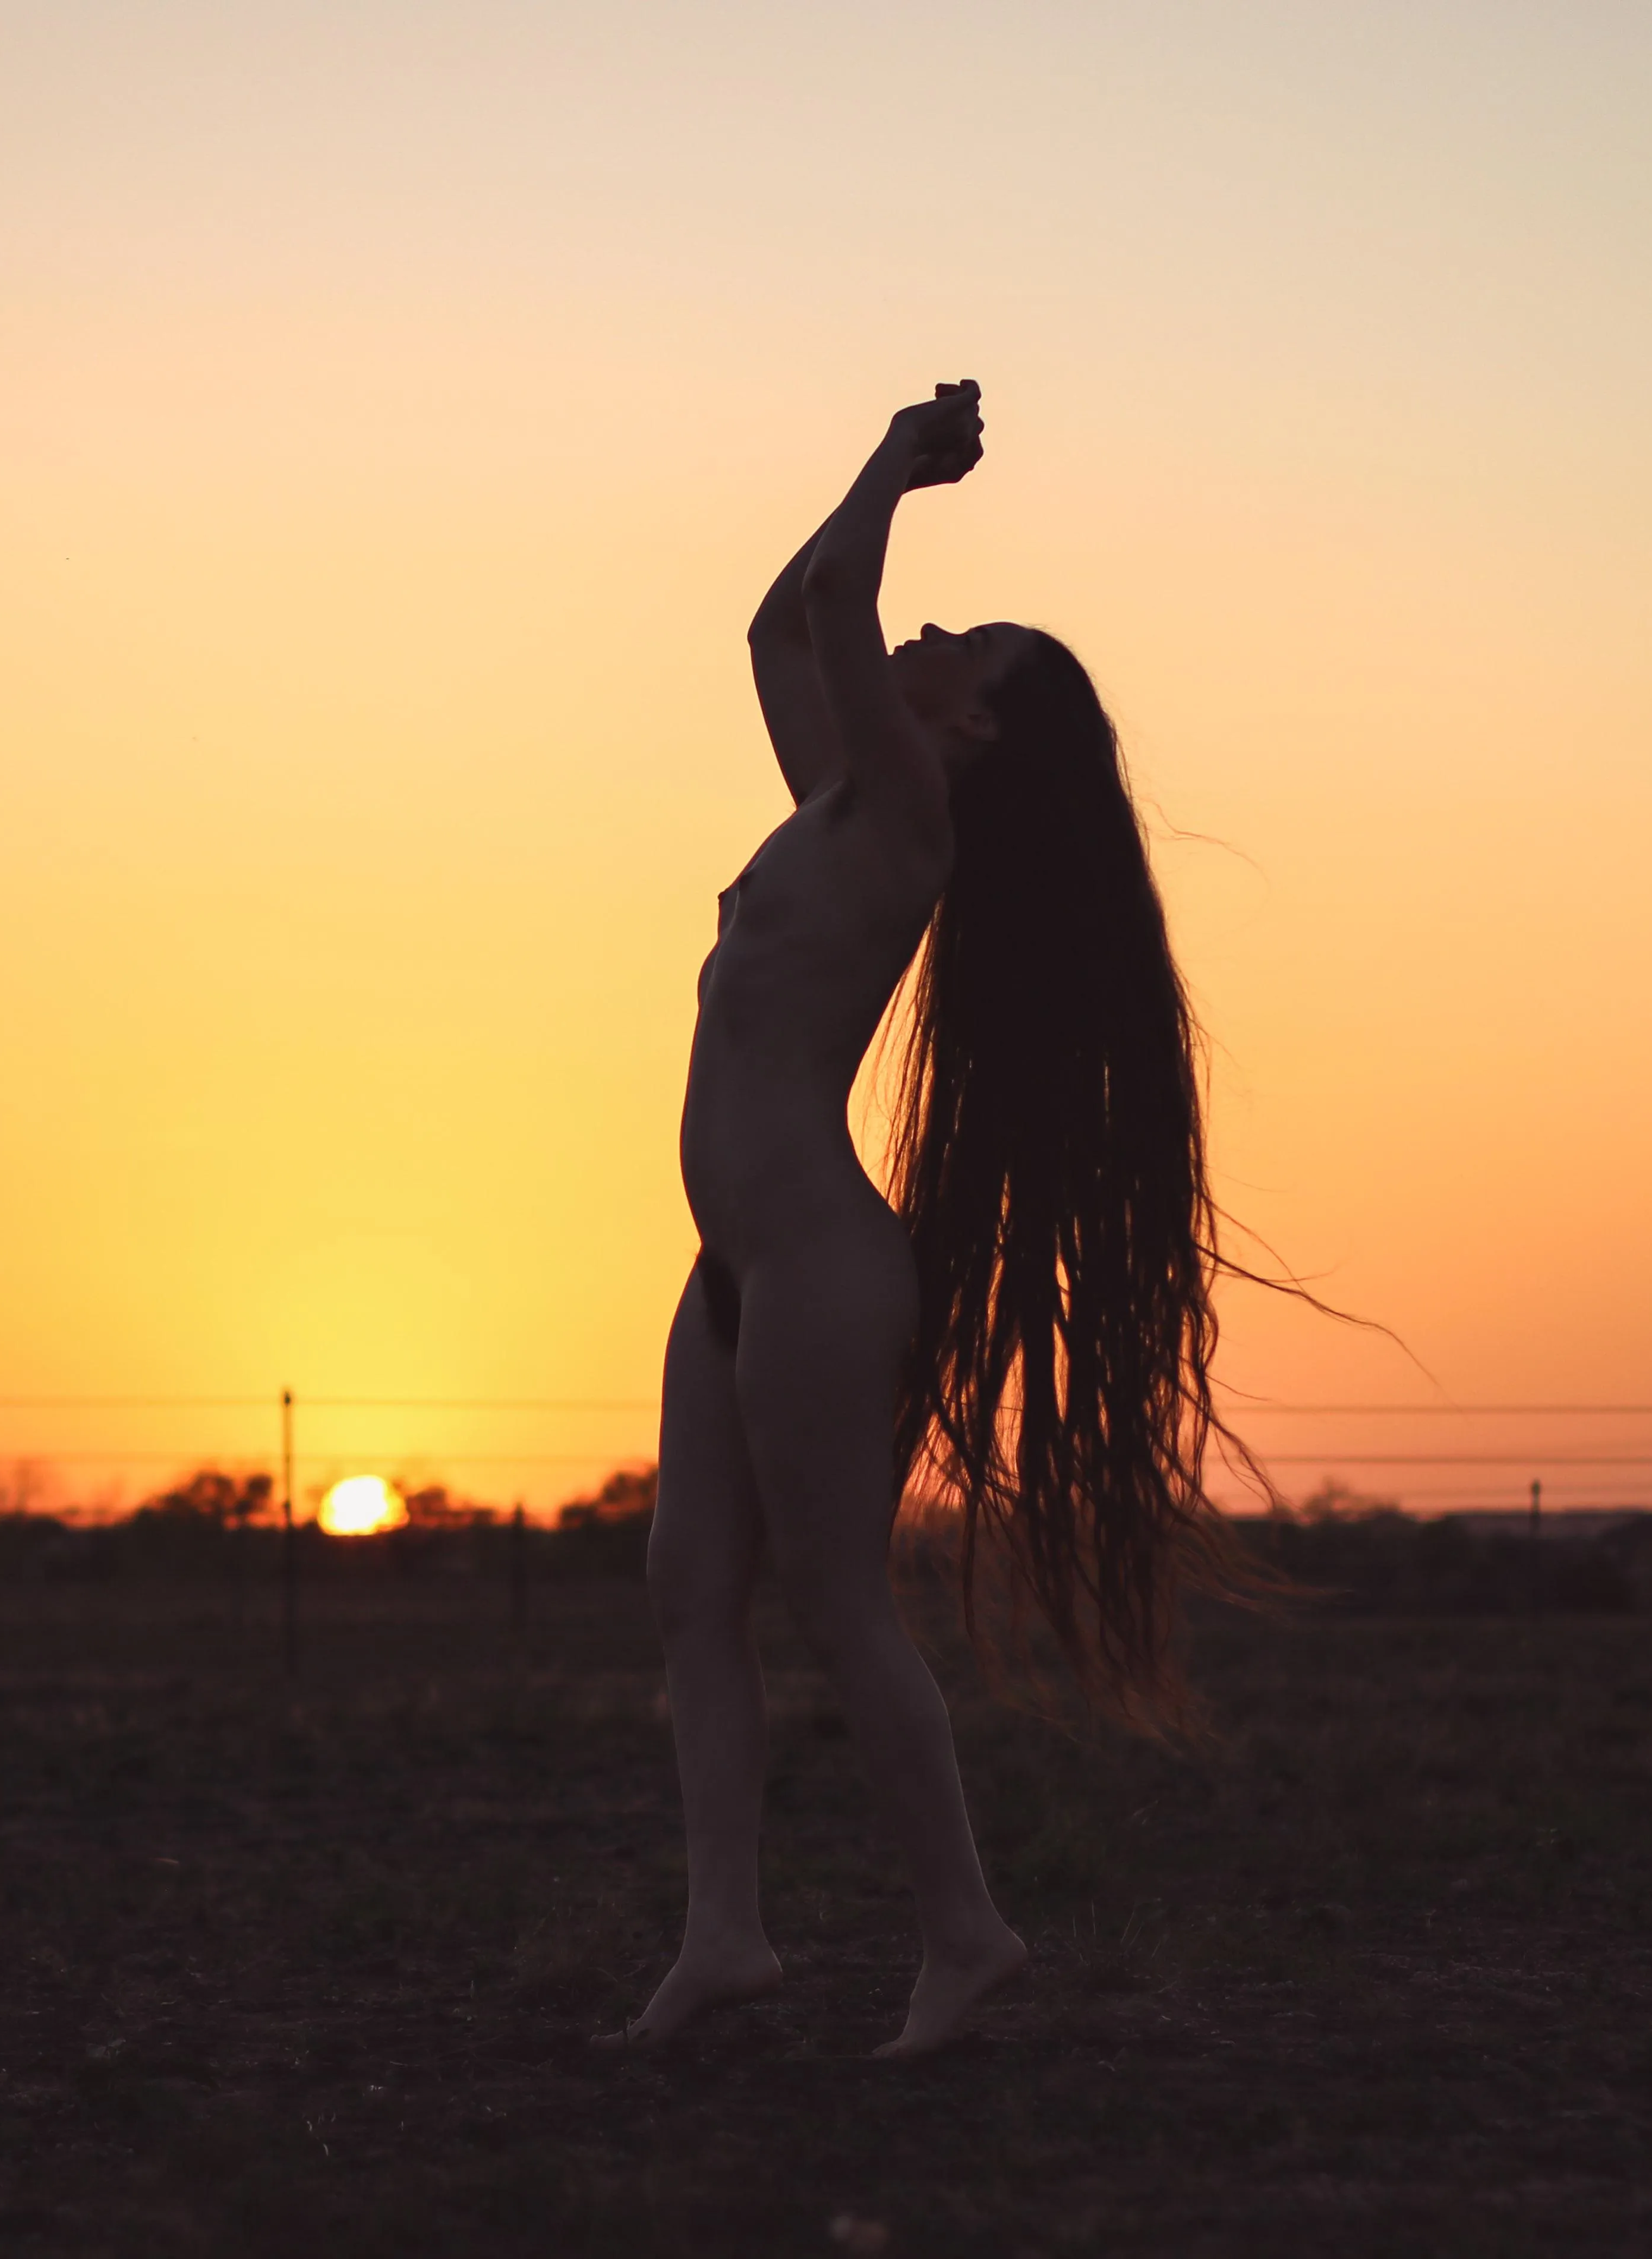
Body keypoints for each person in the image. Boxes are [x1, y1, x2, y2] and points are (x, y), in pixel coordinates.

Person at [617, 380, 1250, 2059]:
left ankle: (967, 1933)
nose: (929, 629)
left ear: (966, 730)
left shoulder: (904, 820)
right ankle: (726, 1939)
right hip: (736, 1264)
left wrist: (902, 463)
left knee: (832, 1598)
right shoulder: (840, 801)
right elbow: (780, 622)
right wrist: (882, 482)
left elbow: (836, 601)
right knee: (693, 1590)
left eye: (960, 641)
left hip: (815, 1263)